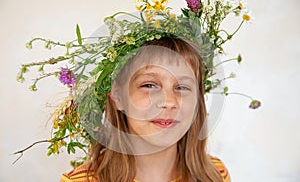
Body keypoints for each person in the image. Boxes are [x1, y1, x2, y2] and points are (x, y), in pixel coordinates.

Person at [59, 37, 231, 182]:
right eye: (149, 85)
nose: (169, 102)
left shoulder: (215, 174)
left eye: (183, 87)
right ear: (118, 97)